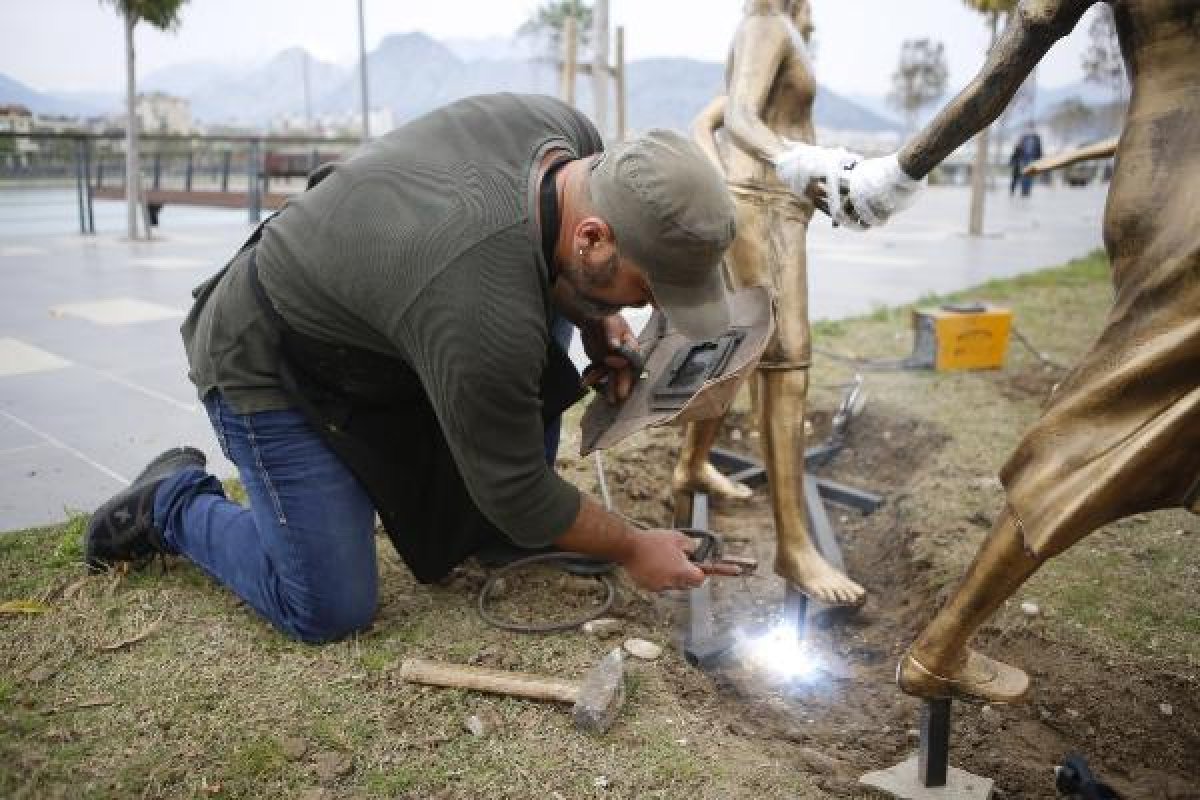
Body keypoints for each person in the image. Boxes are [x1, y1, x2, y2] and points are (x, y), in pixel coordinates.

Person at [84, 93, 742, 644]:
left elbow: (544, 278)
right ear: (594, 237)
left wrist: (602, 324)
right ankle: (171, 503)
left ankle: (495, 534)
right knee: (327, 608)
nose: (649, 306)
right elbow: (515, 488)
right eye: (647, 288)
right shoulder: (482, 307)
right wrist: (631, 547)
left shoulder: (570, 141)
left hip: (389, 315)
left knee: (541, 316)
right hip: (269, 350)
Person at [795, 0, 1200, 703]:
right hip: (1183, 187)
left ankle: (944, 643)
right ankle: (942, 643)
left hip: (1163, 167)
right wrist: (892, 173)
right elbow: (1032, 31)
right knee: (1110, 419)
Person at [671, 0, 866, 607]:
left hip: (775, 201)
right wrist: (792, 166)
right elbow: (734, 118)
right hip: (760, 202)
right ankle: (793, 546)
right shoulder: (765, 24)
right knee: (786, 361)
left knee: (741, 350)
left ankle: (691, 464)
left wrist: (822, 181)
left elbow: (721, 115)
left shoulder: (782, 30)